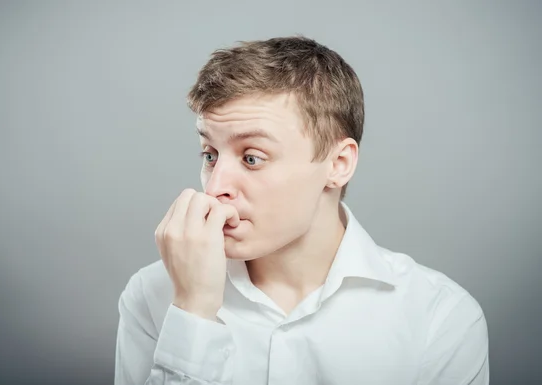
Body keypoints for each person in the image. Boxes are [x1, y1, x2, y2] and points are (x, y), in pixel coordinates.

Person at [114, 36, 489, 385]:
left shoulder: (439, 318)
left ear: (338, 164)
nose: (214, 189)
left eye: (252, 157)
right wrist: (193, 312)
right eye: (209, 155)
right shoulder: (153, 296)